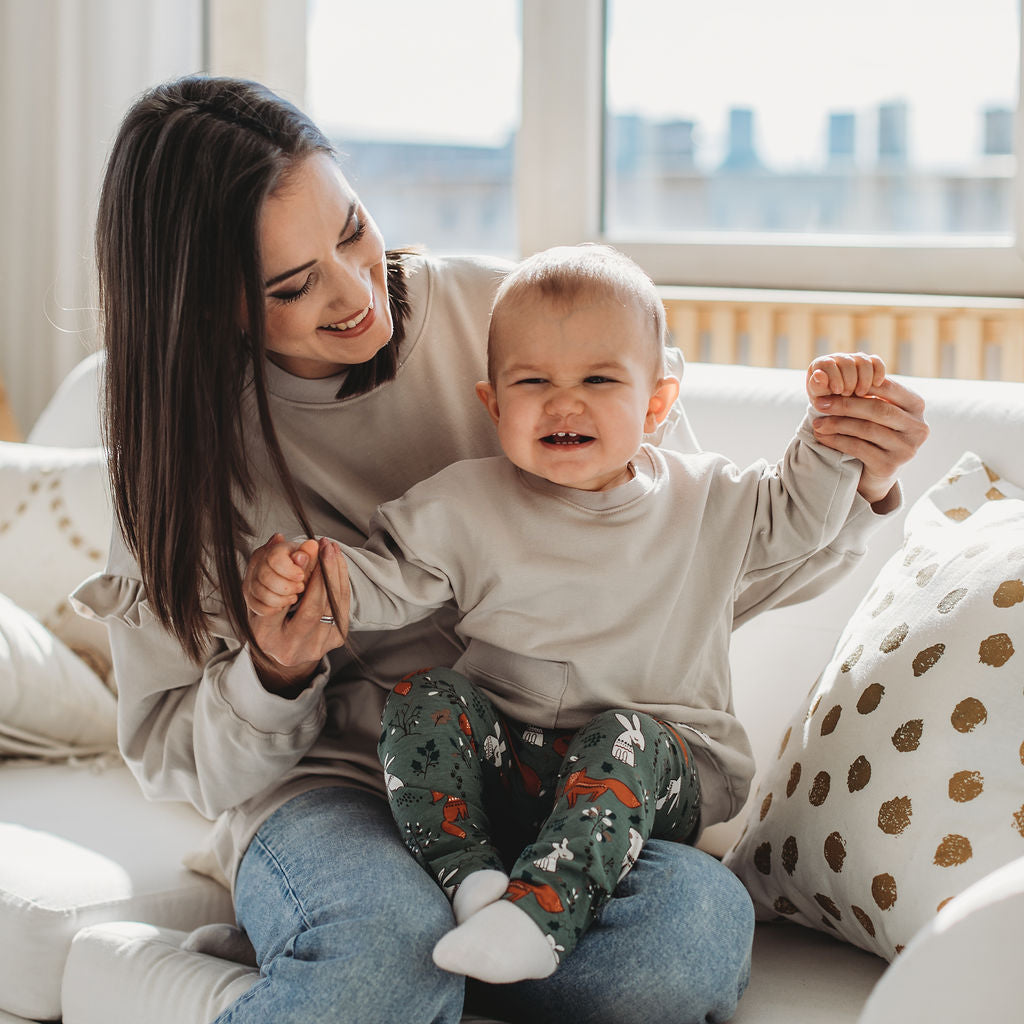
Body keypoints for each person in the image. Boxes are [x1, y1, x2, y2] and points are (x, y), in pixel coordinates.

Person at [71, 74, 928, 1024]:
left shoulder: (514, 312)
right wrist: (272, 673)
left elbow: (689, 550)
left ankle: (374, 961)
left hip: (571, 787)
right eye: (291, 284)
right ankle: (371, 949)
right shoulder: (175, 456)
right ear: (206, 304)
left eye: (352, 229)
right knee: (378, 956)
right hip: (346, 793)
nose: (358, 291)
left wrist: (860, 477)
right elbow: (170, 758)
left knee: (683, 947)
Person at [244, 243, 908, 987]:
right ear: (493, 404)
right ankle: (471, 883)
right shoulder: (463, 504)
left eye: (598, 379)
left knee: (618, 739)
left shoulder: (709, 502)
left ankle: (540, 917)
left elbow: (800, 514)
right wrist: (305, 580)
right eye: (533, 382)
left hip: (657, 764)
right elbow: (382, 582)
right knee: (425, 697)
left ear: (656, 402)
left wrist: (836, 436)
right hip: (511, 765)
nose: (565, 402)